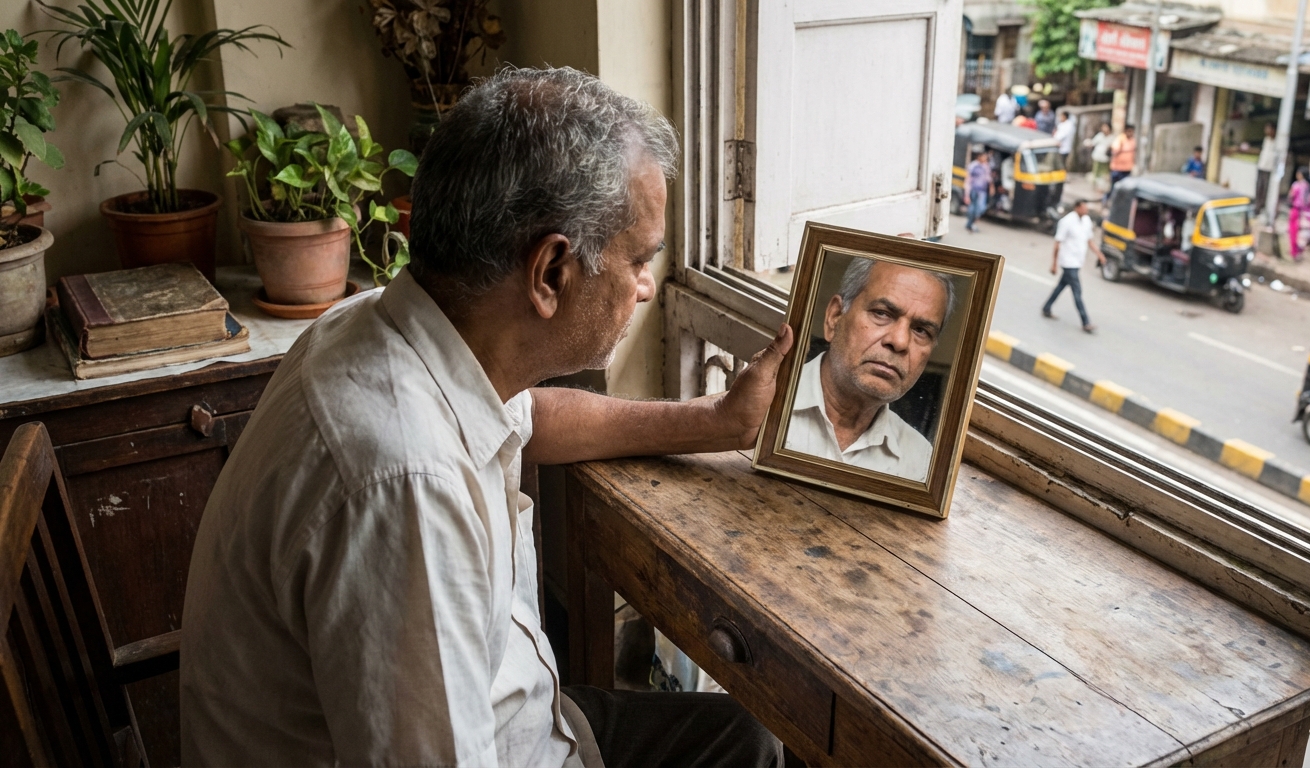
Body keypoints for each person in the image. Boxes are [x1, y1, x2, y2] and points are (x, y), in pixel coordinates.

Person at [180, 67, 790, 768]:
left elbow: (534, 416)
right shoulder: (407, 484)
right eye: (639, 259)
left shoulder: (383, 325)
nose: (647, 285)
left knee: (745, 740)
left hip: (525, 717)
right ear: (551, 271)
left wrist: (715, 419)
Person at [784, 258, 952, 482]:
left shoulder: (918, 460)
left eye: (921, 330)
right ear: (834, 317)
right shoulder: (765, 404)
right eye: (882, 313)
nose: (900, 342)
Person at [1042, 199, 1104, 333]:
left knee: (1061, 286)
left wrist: (1099, 254)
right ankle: (1085, 321)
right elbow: (1057, 243)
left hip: (1078, 261)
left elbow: (1089, 240)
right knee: (1077, 292)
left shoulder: (1086, 221)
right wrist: (1054, 264)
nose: (1086, 210)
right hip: (1068, 261)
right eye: (1083, 208)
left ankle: (1046, 308)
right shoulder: (1066, 222)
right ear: (1076, 208)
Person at [1288, 166, 1310, 261]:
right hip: (1305, 213)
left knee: (1293, 232)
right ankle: (1299, 251)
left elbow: (1291, 197)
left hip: (1296, 211)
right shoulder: (1308, 186)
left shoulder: (1296, 185)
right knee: (1302, 233)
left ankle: (1294, 251)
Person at [1105, 125, 1137, 203]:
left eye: (1132, 131)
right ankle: (1107, 201)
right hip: (1117, 168)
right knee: (1114, 187)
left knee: (1124, 188)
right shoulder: (1120, 139)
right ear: (1125, 131)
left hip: (1127, 169)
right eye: (1129, 131)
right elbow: (1113, 150)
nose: (1131, 133)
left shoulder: (1133, 140)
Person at [964, 148, 994, 232]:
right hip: (974, 189)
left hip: (982, 191)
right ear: (979, 157)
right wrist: (967, 193)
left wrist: (991, 187)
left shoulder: (986, 166)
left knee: (981, 208)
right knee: (972, 208)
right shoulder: (973, 166)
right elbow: (968, 179)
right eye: (983, 156)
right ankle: (971, 224)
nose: (985, 158)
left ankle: (971, 223)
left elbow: (988, 178)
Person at [1256, 123, 1276, 215]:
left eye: (1268, 129)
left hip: (1268, 169)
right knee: (1259, 187)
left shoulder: (1277, 142)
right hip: (1261, 166)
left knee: (1265, 189)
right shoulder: (1266, 140)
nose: (1266, 131)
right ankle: (1257, 206)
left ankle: (1262, 206)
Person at [1085, 122, 1113, 188]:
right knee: (1096, 173)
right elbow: (1093, 143)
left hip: (1106, 158)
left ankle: (1102, 187)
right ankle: (1094, 187)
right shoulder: (1099, 135)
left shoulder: (1112, 137)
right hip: (1097, 157)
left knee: (1103, 174)